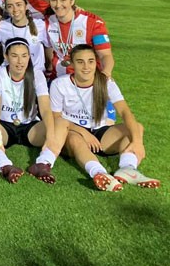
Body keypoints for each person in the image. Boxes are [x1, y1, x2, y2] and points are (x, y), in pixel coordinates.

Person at [51, 45, 159, 192]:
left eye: (91, 61)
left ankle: (128, 169)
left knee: (136, 128)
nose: (86, 67)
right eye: (80, 61)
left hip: (100, 132)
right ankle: (99, 173)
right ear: (71, 63)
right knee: (74, 139)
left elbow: (125, 112)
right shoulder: (59, 84)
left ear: (96, 62)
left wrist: (138, 142)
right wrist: (84, 133)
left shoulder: (106, 82)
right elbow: (56, 118)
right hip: (72, 130)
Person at [0, 38, 60, 183]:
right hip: (5, 127)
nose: (20, 61)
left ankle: (43, 164)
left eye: (24, 55)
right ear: (6, 56)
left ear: (29, 56)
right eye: (14, 56)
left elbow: (45, 108)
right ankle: (5, 165)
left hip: (30, 127)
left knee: (59, 123)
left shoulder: (37, 74)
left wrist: (51, 136)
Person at [43, 0, 113, 78]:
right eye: (54, 0)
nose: (58, 5)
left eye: (63, 0)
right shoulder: (46, 21)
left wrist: (106, 73)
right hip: (58, 79)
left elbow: (105, 55)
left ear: (72, 1)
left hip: (87, 80)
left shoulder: (93, 23)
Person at [0, 0, 50, 72]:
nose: (15, 9)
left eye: (18, 5)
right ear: (6, 9)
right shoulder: (2, 26)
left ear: (26, 5)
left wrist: (49, 67)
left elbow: (50, 47)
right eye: (10, 6)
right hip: (11, 74)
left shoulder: (41, 25)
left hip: (35, 74)